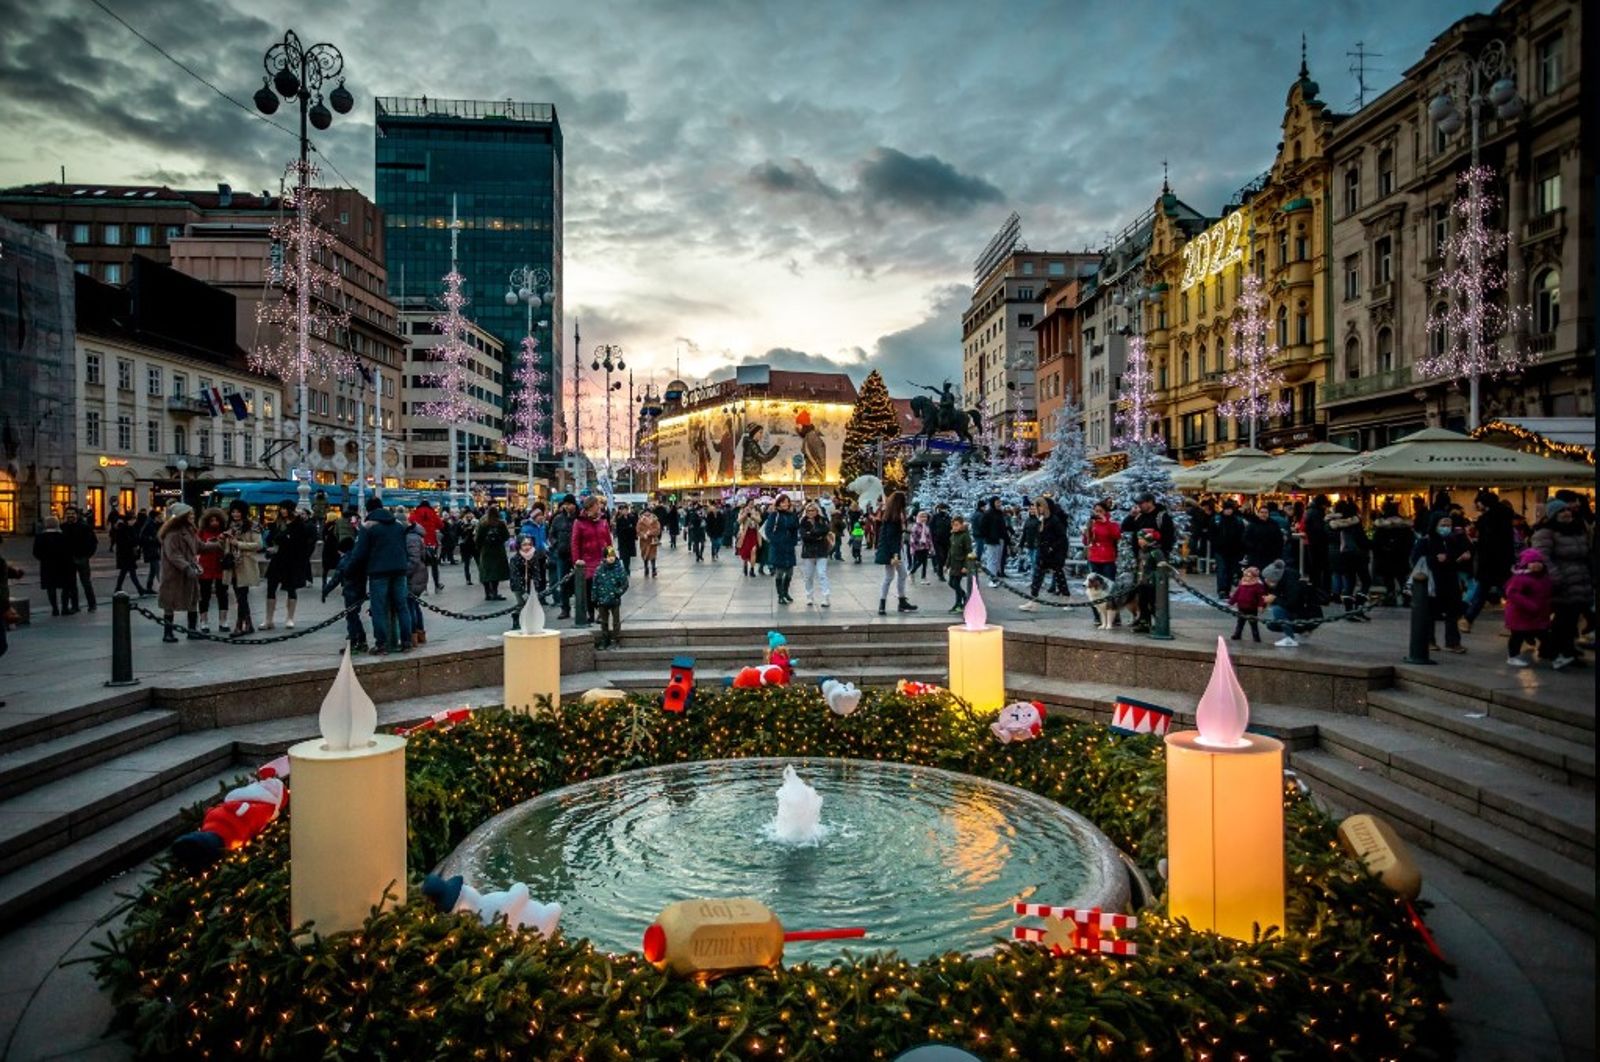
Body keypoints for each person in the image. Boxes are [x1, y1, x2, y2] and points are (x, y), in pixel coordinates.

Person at [339, 497, 412, 655]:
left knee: (378, 609)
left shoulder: (367, 526)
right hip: (400, 570)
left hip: (379, 572)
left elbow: (359, 554)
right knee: (402, 606)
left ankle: (382, 645)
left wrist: (348, 570)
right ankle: (406, 641)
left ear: (368, 510)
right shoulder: (398, 525)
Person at [1530, 499, 1591, 670]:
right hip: (1562, 581)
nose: (1566, 513)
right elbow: (1542, 557)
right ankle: (1561, 652)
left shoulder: (1577, 529)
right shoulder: (1546, 533)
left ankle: (1561, 650)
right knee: (1564, 619)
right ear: (1553, 515)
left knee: (1571, 620)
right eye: (1561, 511)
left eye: (1567, 510)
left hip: (1580, 579)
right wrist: (1555, 577)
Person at [1411, 512, 1471, 654]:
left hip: (1450, 581)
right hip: (1432, 581)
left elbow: (1457, 556)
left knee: (1452, 611)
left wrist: (1460, 557)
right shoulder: (1426, 541)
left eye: (1448, 525)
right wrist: (1434, 559)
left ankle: (1453, 642)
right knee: (1431, 612)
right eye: (1443, 525)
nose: (1446, 527)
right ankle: (1429, 640)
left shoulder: (1453, 540)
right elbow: (1416, 559)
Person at [1121, 492, 1175, 633]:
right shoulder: (1140, 516)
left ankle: (1158, 621)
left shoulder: (1162, 517)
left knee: (1154, 592)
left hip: (1155, 559)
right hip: (1141, 559)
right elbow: (1125, 527)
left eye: (1141, 503)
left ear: (1150, 502)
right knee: (1142, 590)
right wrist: (1131, 515)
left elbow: (1168, 538)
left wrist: (1153, 544)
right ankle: (1144, 619)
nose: (1139, 506)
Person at [1461, 491, 1514, 633]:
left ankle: (1467, 620)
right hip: (1504, 561)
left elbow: (1487, 543)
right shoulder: (1506, 516)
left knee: (1483, 593)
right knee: (1508, 594)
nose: (1477, 505)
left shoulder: (1487, 519)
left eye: (1478, 502)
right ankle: (1512, 623)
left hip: (1490, 562)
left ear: (1483, 503)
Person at [263, 502, 311, 630]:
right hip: (277, 560)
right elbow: (270, 539)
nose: (283, 511)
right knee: (271, 587)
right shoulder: (278, 524)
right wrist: (272, 547)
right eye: (281, 508)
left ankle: (290, 618)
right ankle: (269, 620)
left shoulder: (297, 524)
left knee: (291, 588)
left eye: (285, 508)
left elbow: (301, 543)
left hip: (291, 561)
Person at [156, 503, 201, 642]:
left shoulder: (189, 531)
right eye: (190, 514)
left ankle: (192, 630)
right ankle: (168, 633)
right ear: (182, 517)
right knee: (169, 603)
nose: (193, 517)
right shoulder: (172, 533)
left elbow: (199, 546)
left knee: (193, 601)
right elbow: (173, 554)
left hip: (188, 572)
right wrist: (187, 567)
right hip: (173, 574)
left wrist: (218, 544)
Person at [1503, 548, 1552, 668]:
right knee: (1517, 636)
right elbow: (1512, 593)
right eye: (1533, 562)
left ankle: (1552, 654)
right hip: (1519, 614)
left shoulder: (1544, 578)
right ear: (1526, 564)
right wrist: (1530, 605)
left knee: (1544, 634)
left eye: (1539, 562)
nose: (1536, 564)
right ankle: (1513, 656)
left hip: (1537, 615)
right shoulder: (1520, 578)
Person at [1021, 497, 1069, 611]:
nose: (1038, 508)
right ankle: (1033, 601)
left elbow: (1062, 538)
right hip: (1042, 552)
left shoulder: (1054, 520)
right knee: (1037, 578)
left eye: (1040, 506)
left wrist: (1052, 547)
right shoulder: (1041, 519)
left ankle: (1067, 600)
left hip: (1054, 553)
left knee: (1059, 577)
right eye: (1037, 506)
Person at [1327, 499, 1371, 619]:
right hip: (1357, 556)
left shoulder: (1332, 524)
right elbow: (1362, 541)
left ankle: (1348, 611)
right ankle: (1358, 606)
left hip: (1343, 556)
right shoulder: (1355, 524)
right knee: (1366, 581)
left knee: (1349, 583)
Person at [873, 490, 916, 616]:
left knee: (893, 576)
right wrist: (895, 554)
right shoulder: (895, 518)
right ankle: (897, 602)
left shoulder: (889, 515)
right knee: (894, 576)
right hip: (892, 552)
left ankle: (885, 603)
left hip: (889, 550)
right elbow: (892, 538)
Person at [1260, 558, 1319, 649]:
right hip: (1301, 611)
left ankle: (1290, 638)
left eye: (1268, 579)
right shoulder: (1284, 579)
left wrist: (1274, 600)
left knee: (1277, 610)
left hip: (1307, 614)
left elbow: (1291, 603)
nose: (1266, 581)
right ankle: (1300, 630)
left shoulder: (1291, 583)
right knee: (1271, 624)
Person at [571, 496, 614, 622]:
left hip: (602, 560)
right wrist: (576, 560)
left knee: (603, 589)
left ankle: (601, 613)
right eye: (596, 505)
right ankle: (591, 613)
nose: (599, 507)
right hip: (587, 561)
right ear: (590, 506)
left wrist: (611, 556)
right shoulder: (579, 522)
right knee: (589, 590)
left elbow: (608, 541)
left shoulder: (603, 521)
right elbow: (575, 543)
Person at [224, 500, 261, 637]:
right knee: (239, 595)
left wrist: (238, 543)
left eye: (238, 511)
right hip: (232, 564)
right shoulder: (229, 526)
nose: (235, 514)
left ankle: (239, 625)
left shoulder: (252, 526)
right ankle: (249, 624)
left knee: (242, 595)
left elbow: (258, 545)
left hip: (245, 563)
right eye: (233, 511)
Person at [1370, 500, 1415, 605]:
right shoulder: (1404, 526)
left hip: (1385, 558)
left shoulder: (1381, 526)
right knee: (1402, 579)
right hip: (1401, 557)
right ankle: (1406, 598)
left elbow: (1376, 543)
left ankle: (1390, 598)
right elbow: (1410, 541)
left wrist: (1381, 552)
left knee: (1388, 580)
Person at [195, 508, 230, 634]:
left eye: (216, 520)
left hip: (221, 565)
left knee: (223, 594)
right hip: (206, 565)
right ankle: (204, 621)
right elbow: (197, 547)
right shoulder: (201, 532)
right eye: (211, 520)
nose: (214, 522)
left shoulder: (225, 532)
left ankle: (223, 621)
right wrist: (207, 543)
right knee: (204, 595)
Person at [31, 516, 74, 615]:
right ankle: (64, 608)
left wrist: (43, 559)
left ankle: (54, 608)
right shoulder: (64, 536)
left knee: (51, 587)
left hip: (47, 566)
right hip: (63, 565)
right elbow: (70, 551)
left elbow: (36, 552)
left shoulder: (40, 537)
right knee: (65, 587)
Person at [764, 493, 801, 605]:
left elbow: (795, 528)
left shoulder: (791, 515)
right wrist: (776, 541)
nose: (786, 504)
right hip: (778, 546)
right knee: (779, 572)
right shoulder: (774, 515)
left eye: (787, 502)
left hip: (789, 546)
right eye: (783, 502)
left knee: (790, 572)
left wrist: (794, 541)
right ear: (778, 503)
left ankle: (786, 592)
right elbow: (768, 531)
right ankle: (780, 595)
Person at [591, 545, 630, 649]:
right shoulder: (599, 570)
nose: (611, 558)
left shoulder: (619, 569)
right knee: (604, 622)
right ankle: (605, 639)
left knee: (616, 622)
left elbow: (625, 584)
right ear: (604, 558)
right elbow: (595, 585)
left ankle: (616, 640)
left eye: (612, 555)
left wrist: (618, 592)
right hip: (602, 600)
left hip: (614, 599)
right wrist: (594, 598)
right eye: (608, 556)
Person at [60, 507, 99, 613]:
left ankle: (92, 604)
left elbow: (94, 542)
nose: (70, 515)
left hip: (82, 558)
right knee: (71, 584)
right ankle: (75, 606)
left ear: (77, 515)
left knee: (86, 583)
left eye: (72, 513)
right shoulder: (62, 527)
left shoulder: (84, 527)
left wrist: (87, 555)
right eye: (68, 513)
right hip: (68, 560)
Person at [798, 499, 832, 608]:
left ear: (817, 511)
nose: (811, 512)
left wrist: (812, 533)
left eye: (813, 510)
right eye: (808, 511)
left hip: (821, 550)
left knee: (822, 573)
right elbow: (804, 536)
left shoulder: (822, 520)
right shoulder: (803, 522)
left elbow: (825, 530)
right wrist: (817, 535)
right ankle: (809, 596)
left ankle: (825, 597)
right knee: (808, 576)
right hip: (808, 551)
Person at [475, 509, 512, 601]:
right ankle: (495, 593)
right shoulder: (500, 524)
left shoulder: (483, 524)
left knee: (486, 572)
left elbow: (478, 538)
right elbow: (506, 536)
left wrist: (479, 548)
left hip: (486, 550)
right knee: (496, 573)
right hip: (498, 550)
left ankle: (487, 593)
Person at [404, 511, 429, 647]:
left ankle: (413, 635)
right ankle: (420, 634)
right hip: (420, 574)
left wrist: (404, 572)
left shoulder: (411, 537)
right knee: (415, 604)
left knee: (411, 605)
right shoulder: (416, 535)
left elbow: (414, 560)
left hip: (415, 576)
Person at [1211, 500, 1246, 595]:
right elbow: (1212, 535)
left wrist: (1241, 550)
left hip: (1234, 550)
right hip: (1220, 550)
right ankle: (1222, 589)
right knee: (1222, 570)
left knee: (1230, 570)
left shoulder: (1238, 521)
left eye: (1230, 509)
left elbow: (1242, 536)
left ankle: (1227, 589)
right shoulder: (1217, 519)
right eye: (1227, 509)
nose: (1229, 511)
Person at [550, 495, 577, 616]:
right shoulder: (558, 519)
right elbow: (551, 534)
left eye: (569, 504)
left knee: (579, 582)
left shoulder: (579, 518)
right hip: (562, 554)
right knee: (563, 582)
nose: (567, 506)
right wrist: (556, 544)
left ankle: (582, 608)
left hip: (577, 556)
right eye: (565, 504)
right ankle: (564, 608)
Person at [411, 499, 445, 593]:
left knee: (422, 566)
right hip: (432, 543)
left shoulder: (415, 513)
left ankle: (424, 588)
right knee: (434, 566)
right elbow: (441, 525)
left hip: (420, 543)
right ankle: (437, 586)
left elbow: (410, 523)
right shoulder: (433, 513)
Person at [111, 511, 148, 596]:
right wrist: (135, 543)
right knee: (130, 572)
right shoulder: (125, 529)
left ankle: (119, 588)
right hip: (127, 554)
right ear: (129, 520)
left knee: (125, 572)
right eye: (133, 519)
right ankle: (139, 589)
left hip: (127, 554)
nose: (134, 521)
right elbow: (126, 541)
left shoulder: (128, 528)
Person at [509, 535, 542, 627]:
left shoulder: (534, 557)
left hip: (531, 584)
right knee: (521, 604)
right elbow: (514, 575)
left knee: (531, 605)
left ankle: (529, 622)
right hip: (519, 586)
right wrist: (521, 589)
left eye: (529, 544)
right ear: (519, 546)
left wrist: (535, 584)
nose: (527, 547)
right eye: (524, 545)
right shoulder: (515, 559)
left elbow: (536, 572)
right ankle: (517, 619)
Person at [1228, 565, 1266, 642]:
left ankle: (1256, 637)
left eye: (1249, 576)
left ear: (1254, 577)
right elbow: (1236, 594)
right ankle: (1237, 634)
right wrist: (1231, 602)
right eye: (1245, 576)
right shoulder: (1242, 585)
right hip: (1241, 607)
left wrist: (1260, 606)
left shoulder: (1258, 586)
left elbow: (1261, 597)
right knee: (1240, 623)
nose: (1246, 578)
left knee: (1253, 624)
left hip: (1252, 608)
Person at [1084, 501, 1120, 583]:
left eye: (1100, 511)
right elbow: (1086, 541)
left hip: (1108, 558)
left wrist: (1106, 523)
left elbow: (1117, 536)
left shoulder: (1112, 523)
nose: (1098, 513)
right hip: (1093, 557)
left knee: (1108, 583)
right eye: (1096, 511)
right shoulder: (1091, 523)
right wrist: (1086, 533)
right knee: (1094, 585)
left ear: (1106, 512)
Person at [976, 497, 1008, 587]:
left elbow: (1003, 527)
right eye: (997, 502)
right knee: (992, 560)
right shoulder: (988, 514)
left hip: (1000, 539)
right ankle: (991, 579)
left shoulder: (999, 513)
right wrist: (988, 536)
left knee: (997, 560)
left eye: (1000, 502)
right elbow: (982, 527)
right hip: (992, 540)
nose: (999, 504)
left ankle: (996, 577)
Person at [1243, 505, 1286, 572]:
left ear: (1268, 514)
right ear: (1258, 513)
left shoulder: (1273, 524)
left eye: (1265, 512)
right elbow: (1246, 539)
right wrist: (1253, 547)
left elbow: (1279, 540)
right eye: (1262, 512)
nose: (1263, 514)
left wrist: (1277, 552)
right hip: (1256, 555)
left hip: (1270, 555)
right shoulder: (1252, 524)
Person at [946, 513, 973, 612]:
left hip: (960, 564)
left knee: (956, 583)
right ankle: (963, 596)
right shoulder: (952, 536)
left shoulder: (965, 536)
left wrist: (966, 565)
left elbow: (968, 551)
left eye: (957, 525)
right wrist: (947, 564)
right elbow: (950, 551)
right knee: (951, 583)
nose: (955, 527)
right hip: (953, 564)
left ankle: (958, 603)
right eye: (953, 525)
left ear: (962, 525)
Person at [907, 510, 935, 585]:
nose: (924, 518)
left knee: (925, 562)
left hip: (925, 547)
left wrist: (931, 547)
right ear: (918, 517)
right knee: (919, 561)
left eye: (925, 517)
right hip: (918, 547)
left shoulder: (926, 527)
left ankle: (923, 577)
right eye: (922, 517)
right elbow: (913, 538)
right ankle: (911, 572)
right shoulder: (915, 527)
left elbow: (929, 538)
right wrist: (915, 546)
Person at [736, 502, 762, 576]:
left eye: (752, 503)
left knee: (753, 550)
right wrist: (745, 515)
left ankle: (752, 569)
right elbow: (739, 521)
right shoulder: (742, 511)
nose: (752, 505)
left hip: (754, 534)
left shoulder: (756, 512)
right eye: (750, 503)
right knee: (746, 551)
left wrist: (752, 516)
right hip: (745, 534)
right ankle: (745, 565)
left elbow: (759, 520)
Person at [636, 505, 662, 579]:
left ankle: (653, 568)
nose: (647, 514)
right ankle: (646, 567)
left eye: (648, 512)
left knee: (653, 555)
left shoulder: (655, 520)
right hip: (644, 540)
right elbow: (638, 530)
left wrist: (649, 533)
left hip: (652, 540)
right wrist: (643, 535)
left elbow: (657, 529)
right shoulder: (640, 520)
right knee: (645, 554)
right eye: (645, 512)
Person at [139, 508, 162, 589]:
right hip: (150, 550)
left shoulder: (153, 524)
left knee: (153, 569)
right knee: (157, 568)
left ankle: (149, 586)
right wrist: (151, 539)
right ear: (154, 517)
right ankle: (162, 585)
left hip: (153, 549)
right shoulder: (149, 524)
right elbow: (142, 536)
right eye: (159, 517)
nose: (160, 518)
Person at [614, 502, 639, 574]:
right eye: (623, 510)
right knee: (624, 555)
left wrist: (631, 529)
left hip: (630, 539)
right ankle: (626, 568)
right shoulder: (619, 519)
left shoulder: (631, 517)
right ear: (621, 511)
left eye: (626, 510)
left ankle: (627, 567)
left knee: (629, 555)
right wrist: (628, 527)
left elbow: (634, 527)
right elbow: (619, 529)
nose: (625, 511)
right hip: (623, 540)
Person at [930, 503, 952, 582]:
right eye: (942, 509)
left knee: (945, 557)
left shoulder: (948, 518)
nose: (944, 510)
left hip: (946, 540)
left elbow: (951, 527)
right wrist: (932, 539)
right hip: (937, 541)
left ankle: (939, 568)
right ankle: (940, 574)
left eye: (945, 509)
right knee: (940, 557)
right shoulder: (935, 517)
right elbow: (931, 529)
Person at [459, 509, 481, 586]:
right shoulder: (461, 523)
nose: (469, 515)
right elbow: (460, 533)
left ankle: (482, 577)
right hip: (466, 546)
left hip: (474, 545)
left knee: (479, 562)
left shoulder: (476, 522)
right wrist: (467, 527)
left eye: (470, 514)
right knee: (467, 563)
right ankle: (468, 579)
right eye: (467, 514)